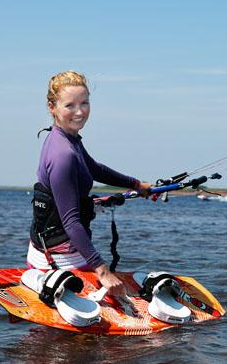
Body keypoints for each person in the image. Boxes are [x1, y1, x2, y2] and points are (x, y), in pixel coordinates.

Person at [28, 70, 151, 296]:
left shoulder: (66, 138)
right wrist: (103, 271)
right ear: (51, 107)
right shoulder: (62, 154)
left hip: (51, 247)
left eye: (84, 103)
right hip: (60, 259)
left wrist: (136, 184)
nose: (79, 111)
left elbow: (94, 168)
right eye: (70, 105)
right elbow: (71, 221)